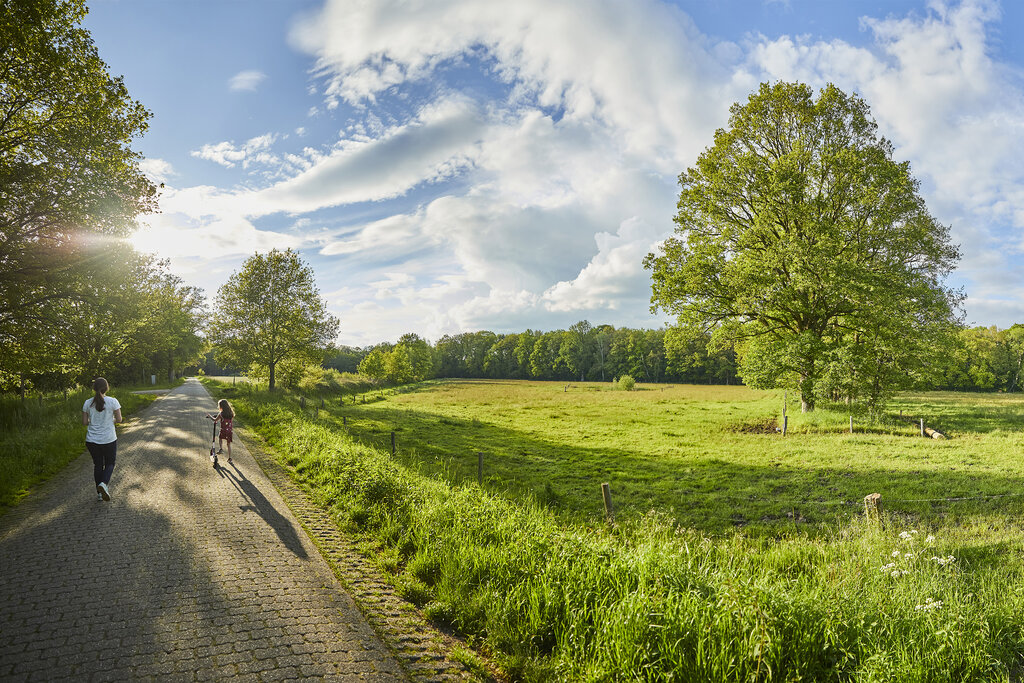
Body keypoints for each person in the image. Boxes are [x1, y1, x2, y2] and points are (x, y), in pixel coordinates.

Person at [82, 377, 122, 501]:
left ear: (94, 388)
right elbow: (119, 420)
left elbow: (84, 422)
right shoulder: (113, 401)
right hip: (108, 439)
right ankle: (103, 484)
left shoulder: (87, 403)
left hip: (92, 440)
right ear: (106, 388)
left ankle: (99, 494)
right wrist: (110, 420)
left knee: (98, 465)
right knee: (110, 463)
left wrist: (94, 420)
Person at [206, 399, 234, 466]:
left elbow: (215, 420)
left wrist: (210, 416)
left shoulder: (221, 414)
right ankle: (230, 458)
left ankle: (221, 449)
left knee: (220, 437)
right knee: (228, 444)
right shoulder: (231, 413)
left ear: (221, 406)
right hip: (229, 431)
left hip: (223, 430)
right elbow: (229, 421)